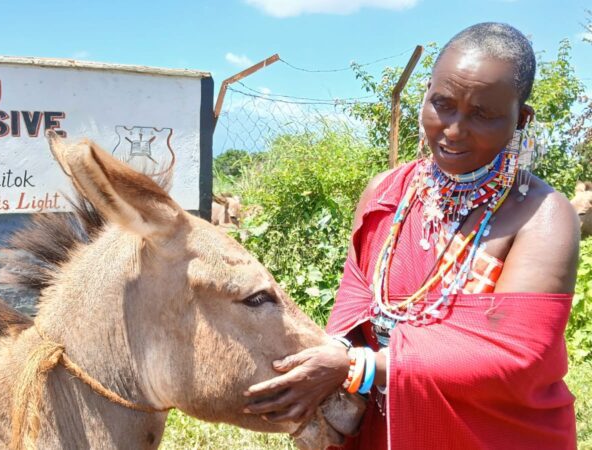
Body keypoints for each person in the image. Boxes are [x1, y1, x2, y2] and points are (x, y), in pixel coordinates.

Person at [244, 22, 580, 449]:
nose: (454, 129)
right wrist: (323, 357)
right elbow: (355, 304)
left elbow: (512, 355)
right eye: (443, 104)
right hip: (388, 426)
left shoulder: (541, 216)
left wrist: (356, 367)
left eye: (483, 113)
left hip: (491, 432)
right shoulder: (387, 193)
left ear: (521, 119)